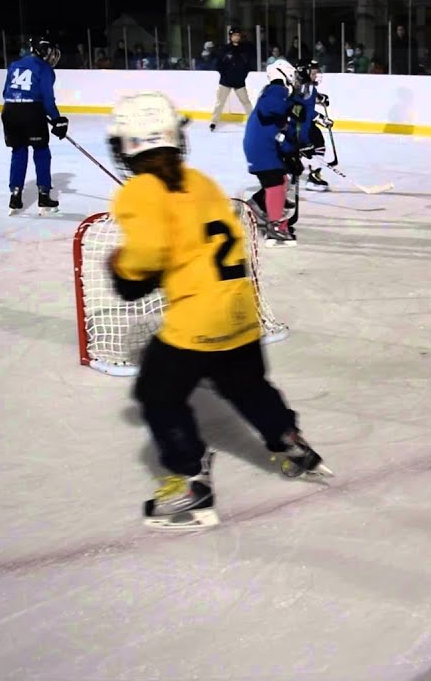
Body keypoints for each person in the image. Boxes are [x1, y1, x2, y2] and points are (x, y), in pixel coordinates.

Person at [104, 91, 330, 530]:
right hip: (241, 313)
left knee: (157, 393)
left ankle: (190, 484)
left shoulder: (139, 190)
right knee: (247, 386)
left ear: (127, 147)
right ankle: (287, 437)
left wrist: (123, 269)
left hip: (197, 322)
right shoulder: (200, 181)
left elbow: (147, 256)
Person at [1, 36, 67, 215]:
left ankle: (15, 196)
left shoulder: (14, 65)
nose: (52, 57)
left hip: (10, 111)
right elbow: (47, 100)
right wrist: (57, 120)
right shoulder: (44, 68)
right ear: (44, 52)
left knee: (19, 151)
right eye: (51, 52)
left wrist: (24, 105)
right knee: (41, 151)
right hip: (31, 113)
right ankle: (44, 195)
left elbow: (6, 93)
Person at [242, 59, 301, 246]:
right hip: (261, 148)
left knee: (281, 179)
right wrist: (291, 107)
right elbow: (270, 111)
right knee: (275, 182)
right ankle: (275, 226)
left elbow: (278, 126)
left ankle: (258, 207)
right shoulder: (276, 91)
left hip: (262, 146)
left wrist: (290, 150)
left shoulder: (278, 94)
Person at [293, 60, 333, 191]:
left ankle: (295, 174)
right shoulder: (304, 86)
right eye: (314, 73)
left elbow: (307, 100)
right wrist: (321, 118)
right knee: (316, 143)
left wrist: (320, 98)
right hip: (299, 125)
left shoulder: (304, 85)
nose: (316, 76)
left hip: (301, 123)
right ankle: (313, 177)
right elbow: (303, 109)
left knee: (313, 142)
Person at [210, 30, 254, 131]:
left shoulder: (244, 49)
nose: (236, 37)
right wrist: (224, 74)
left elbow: (248, 64)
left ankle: (252, 121)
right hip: (225, 81)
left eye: (238, 35)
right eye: (234, 35)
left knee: (246, 102)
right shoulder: (225, 49)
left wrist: (243, 75)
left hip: (239, 82)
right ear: (230, 36)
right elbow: (218, 64)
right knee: (220, 102)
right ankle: (214, 121)